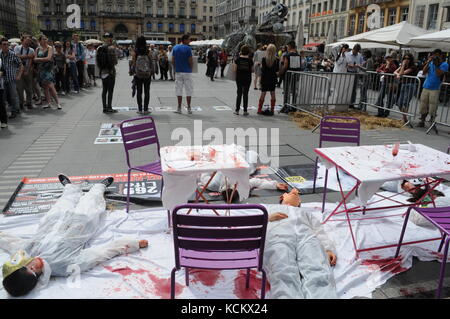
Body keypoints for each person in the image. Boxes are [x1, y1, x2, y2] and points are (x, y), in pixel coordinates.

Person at [0, 174, 149, 297]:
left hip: (53, 221)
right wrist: (132, 244)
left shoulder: (25, 253)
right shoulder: (64, 266)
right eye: (33, 271)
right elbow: (100, 253)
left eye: (27, 266)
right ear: (36, 278)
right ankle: (99, 187)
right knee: (91, 203)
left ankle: (70, 188)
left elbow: (9, 242)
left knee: (63, 202)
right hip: (79, 226)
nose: (33, 266)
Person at [263, 188, 338, 299]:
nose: (295, 193)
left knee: (318, 269)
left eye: (298, 196)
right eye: (290, 193)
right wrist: (268, 218)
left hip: (307, 238)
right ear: (282, 197)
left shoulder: (305, 213)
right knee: (282, 271)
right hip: (279, 237)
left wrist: (328, 248)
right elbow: (254, 222)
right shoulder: (270, 209)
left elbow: (319, 231)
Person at [418, 49, 449, 128]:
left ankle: (432, 122)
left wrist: (436, 64)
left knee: (433, 106)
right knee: (423, 105)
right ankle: (422, 121)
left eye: (437, 55)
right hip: (426, 86)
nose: (435, 56)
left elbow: (438, 74)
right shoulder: (431, 62)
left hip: (435, 88)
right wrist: (428, 62)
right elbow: (424, 72)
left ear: (441, 55)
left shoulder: (444, 64)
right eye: (434, 55)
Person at [34, 36, 61, 110]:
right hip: (41, 70)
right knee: (45, 87)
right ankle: (49, 103)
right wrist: (42, 59)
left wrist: (39, 59)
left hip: (48, 70)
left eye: (46, 39)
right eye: (43, 39)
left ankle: (58, 103)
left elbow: (48, 58)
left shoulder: (50, 48)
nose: (45, 40)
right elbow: (34, 59)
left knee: (51, 86)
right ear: (40, 41)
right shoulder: (37, 49)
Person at [0, 38, 23, 120]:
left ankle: (14, 111)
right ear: (1, 46)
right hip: (2, 79)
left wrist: (19, 75)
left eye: (7, 44)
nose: (6, 46)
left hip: (11, 78)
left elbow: (20, 65)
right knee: (4, 97)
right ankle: (7, 111)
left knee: (13, 95)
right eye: (4, 44)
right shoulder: (0, 54)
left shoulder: (13, 54)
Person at [130, 36, 153, 115]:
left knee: (139, 92)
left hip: (138, 74)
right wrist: (151, 71)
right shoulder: (148, 51)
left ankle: (140, 109)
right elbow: (151, 62)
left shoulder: (135, 52)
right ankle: (146, 109)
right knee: (147, 91)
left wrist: (132, 71)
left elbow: (133, 63)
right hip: (147, 74)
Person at [97, 33, 118, 114]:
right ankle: (109, 107)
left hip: (103, 72)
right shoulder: (111, 48)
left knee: (104, 90)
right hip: (110, 72)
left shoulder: (99, 48)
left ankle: (104, 107)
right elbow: (115, 62)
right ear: (111, 39)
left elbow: (97, 62)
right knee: (110, 90)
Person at [172, 34, 194, 115]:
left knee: (178, 90)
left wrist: (175, 68)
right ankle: (189, 108)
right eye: (189, 39)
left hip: (178, 71)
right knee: (188, 90)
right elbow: (190, 60)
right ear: (184, 40)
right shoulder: (188, 48)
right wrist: (191, 68)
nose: (190, 41)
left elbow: (173, 60)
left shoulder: (175, 47)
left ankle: (179, 108)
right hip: (187, 72)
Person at [394, 53, 418, 123]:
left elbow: (402, 74)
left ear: (411, 60)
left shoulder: (413, 67)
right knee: (399, 103)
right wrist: (398, 74)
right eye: (405, 58)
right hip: (403, 85)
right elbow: (395, 72)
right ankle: (405, 118)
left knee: (405, 102)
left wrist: (403, 66)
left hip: (410, 85)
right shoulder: (402, 66)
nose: (406, 60)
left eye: (408, 59)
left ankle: (404, 119)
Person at [278, 41, 301, 110]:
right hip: (296, 75)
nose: (287, 48)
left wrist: (280, 73)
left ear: (290, 46)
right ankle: (294, 106)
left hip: (288, 75)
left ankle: (285, 106)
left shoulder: (287, 56)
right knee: (294, 91)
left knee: (286, 90)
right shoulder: (298, 55)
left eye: (287, 46)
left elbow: (285, 66)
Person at [257, 44, 279, 116]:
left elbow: (263, 70)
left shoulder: (264, 59)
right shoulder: (276, 60)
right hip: (272, 78)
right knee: (273, 93)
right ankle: (272, 110)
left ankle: (259, 109)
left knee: (263, 93)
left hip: (265, 78)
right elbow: (277, 70)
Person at [14, 35, 35, 110]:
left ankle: (29, 103)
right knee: (19, 88)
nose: (29, 41)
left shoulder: (32, 50)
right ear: (23, 40)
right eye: (27, 39)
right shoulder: (17, 47)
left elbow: (30, 61)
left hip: (27, 70)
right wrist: (28, 56)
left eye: (30, 40)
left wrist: (27, 70)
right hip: (18, 70)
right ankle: (21, 103)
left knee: (29, 88)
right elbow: (17, 57)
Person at [233, 45, 254, 116]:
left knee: (239, 93)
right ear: (248, 51)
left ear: (241, 51)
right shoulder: (250, 60)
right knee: (245, 94)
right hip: (247, 78)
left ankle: (237, 110)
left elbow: (235, 70)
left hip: (239, 78)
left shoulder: (238, 59)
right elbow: (252, 70)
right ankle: (245, 111)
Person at [345, 44, 364, 108]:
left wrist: (359, 66)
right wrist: (351, 66)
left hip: (356, 73)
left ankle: (352, 103)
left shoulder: (359, 55)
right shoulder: (347, 54)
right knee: (347, 88)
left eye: (357, 51)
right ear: (353, 49)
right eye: (355, 51)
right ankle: (345, 101)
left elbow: (361, 64)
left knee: (354, 89)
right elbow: (346, 64)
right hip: (348, 72)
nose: (356, 53)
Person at [0, 55, 7, 128]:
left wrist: (0, 73)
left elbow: (3, 71)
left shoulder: (0, 60)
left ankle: (3, 121)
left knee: (1, 104)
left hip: (0, 86)